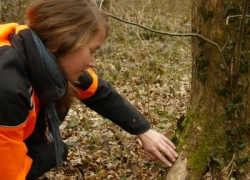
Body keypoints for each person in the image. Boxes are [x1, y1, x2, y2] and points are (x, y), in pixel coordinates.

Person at [0, 0, 178, 179]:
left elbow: (99, 92)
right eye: (92, 51)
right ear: (63, 40)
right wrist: (54, 151)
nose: (93, 63)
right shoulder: (9, 88)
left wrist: (143, 130)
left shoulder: (40, 52)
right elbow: (11, 176)